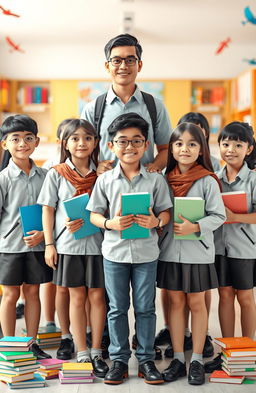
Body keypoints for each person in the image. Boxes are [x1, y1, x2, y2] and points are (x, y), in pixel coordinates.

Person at [87, 113, 172, 385]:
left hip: (147, 253)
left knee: (146, 308)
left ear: (146, 145)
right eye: (122, 141)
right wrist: (110, 223)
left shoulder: (156, 179)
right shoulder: (104, 181)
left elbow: (166, 212)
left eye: (136, 141)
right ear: (111, 145)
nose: (130, 147)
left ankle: (146, 359)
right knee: (117, 308)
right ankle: (120, 360)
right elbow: (94, 215)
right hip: (115, 253)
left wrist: (156, 221)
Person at [37, 119, 108, 378]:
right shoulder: (56, 173)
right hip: (68, 245)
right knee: (77, 297)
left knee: (98, 298)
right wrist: (49, 244)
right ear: (65, 143)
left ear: (95, 142)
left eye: (87, 138)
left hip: (99, 246)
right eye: (75, 138)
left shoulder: (102, 174)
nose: (81, 143)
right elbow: (48, 209)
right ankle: (82, 352)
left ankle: (98, 350)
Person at [157, 122, 226, 385]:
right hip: (170, 252)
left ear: (201, 149)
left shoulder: (207, 180)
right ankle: (177, 357)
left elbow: (219, 215)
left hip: (198, 253)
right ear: (171, 148)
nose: (185, 149)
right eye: (179, 143)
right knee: (175, 303)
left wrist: (195, 226)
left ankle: (196, 358)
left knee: (196, 304)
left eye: (192, 144)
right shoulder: (162, 179)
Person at [204, 121, 256, 373]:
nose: (230, 149)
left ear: (249, 149)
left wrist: (236, 217)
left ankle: (247, 350)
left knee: (245, 297)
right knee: (224, 296)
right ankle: (228, 351)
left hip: (245, 248)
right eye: (225, 144)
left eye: (238, 144)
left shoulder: (254, 179)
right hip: (218, 247)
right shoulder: (214, 179)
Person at [0, 114, 52, 360]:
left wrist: (43, 234)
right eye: (16, 139)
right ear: (5, 144)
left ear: (37, 141)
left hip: (37, 246)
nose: (22, 143)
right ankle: (9, 346)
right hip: (9, 247)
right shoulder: (3, 179)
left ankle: (31, 343)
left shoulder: (46, 177)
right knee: (10, 295)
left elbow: (51, 211)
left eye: (28, 138)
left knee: (33, 293)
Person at [81, 33, 171, 175]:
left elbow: (166, 149)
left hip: (145, 188)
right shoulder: (92, 109)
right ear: (107, 66)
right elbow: (82, 150)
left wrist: (154, 167)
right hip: (106, 188)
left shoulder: (155, 107)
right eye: (116, 61)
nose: (123, 66)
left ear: (139, 65)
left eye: (130, 60)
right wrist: (96, 166)